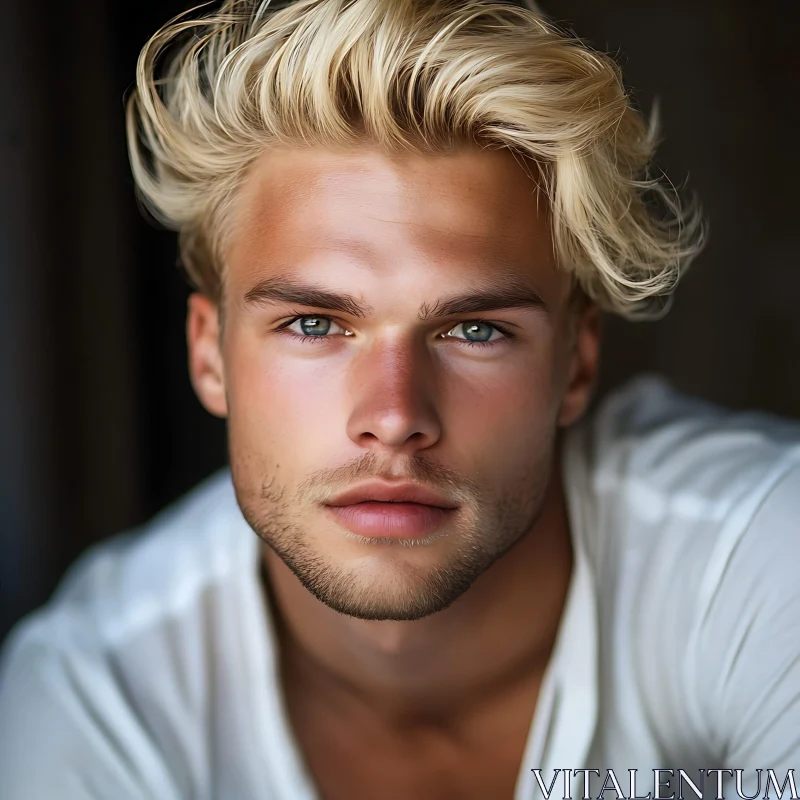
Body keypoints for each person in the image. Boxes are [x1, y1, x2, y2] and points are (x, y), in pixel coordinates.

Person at [1, 0, 798, 797]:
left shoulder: (755, 563)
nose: (393, 416)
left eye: (475, 331)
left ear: (576, 364)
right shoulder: (93, 702)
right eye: (315, 323)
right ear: (208, 355)